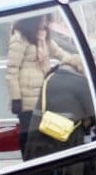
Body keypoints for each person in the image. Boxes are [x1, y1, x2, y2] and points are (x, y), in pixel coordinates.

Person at [24, 64, 96, 175]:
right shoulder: (81, 82)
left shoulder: (49, 78)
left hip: (43, 133)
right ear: (79, 69)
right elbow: (94, 111)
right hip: (69, 137)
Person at [6, 14, 81, 152]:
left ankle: (41, 167)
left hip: (43, 94)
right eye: (43, 19)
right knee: (28, 135)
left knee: (41, 135)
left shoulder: (44, 38)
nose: (45, 23)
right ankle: (30, 167)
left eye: (47, 20)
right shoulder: (20, 38)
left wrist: (78, 62)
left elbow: (61, 54)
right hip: (26, 97)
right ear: (33, 19)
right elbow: (11, 71)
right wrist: (16, 98)